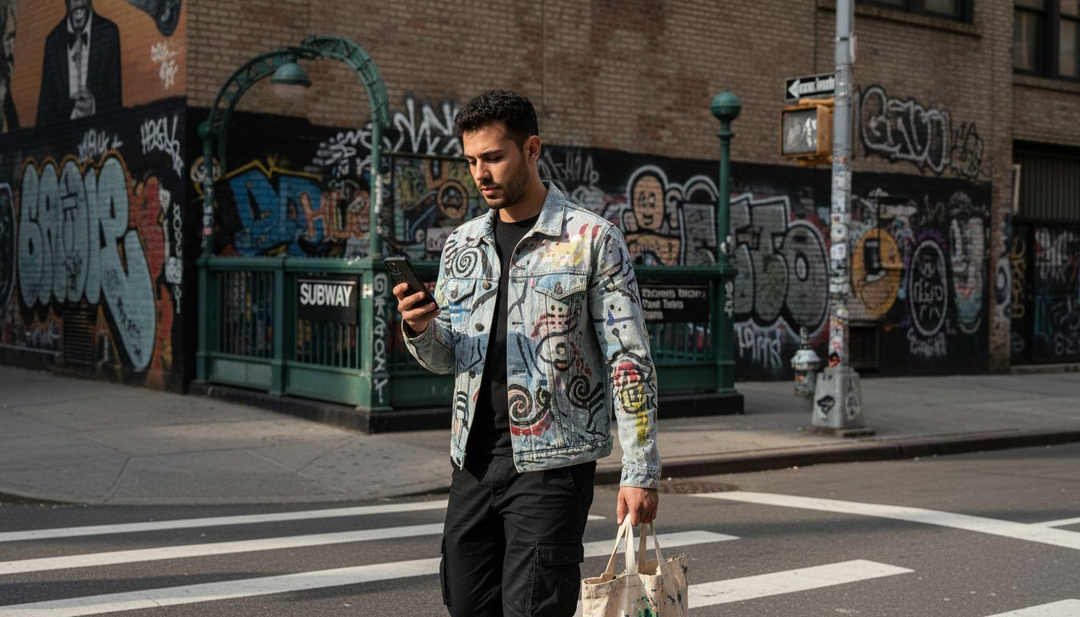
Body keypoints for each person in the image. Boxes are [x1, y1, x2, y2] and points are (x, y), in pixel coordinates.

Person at [394, 89, 660, 617]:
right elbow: (449, 357)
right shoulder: (461, 245)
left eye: (494, 157)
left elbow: (628, 357)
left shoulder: (591, 239)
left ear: (532, 148)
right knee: (467, 605)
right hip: (471, 462)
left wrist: (640, 469)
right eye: (471, 160)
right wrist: (421, 328)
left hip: (551, 468)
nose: (480, 173)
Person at [36, 0, 122, 126]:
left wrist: (94, 107)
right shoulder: (53, 42)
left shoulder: (109, 34)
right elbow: (43, 116)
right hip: (64, 141)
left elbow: (116, 103)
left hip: (99, 139)